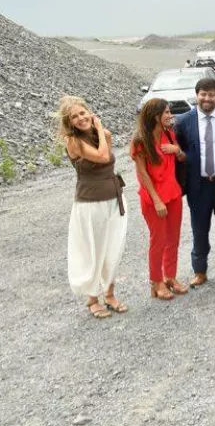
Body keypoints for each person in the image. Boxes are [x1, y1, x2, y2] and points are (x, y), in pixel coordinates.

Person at [61, 96, 128, 318]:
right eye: (74, 117)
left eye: (83, 113)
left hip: (113, 198)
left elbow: (108, 160)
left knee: (113, 247)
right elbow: (102, 156)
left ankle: (109, 294)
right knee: (94, 250)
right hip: (90, 203)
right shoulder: (74, 142)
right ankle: (92, 299)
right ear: (69, 123)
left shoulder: (103, 135)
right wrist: (99, 128)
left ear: (89, 112)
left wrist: (102, 132)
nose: (81, 118)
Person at [174, 77, 215, 287]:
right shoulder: (183, 122)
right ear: (197, 95)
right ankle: (200, 270)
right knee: (200, 229)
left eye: (211, 95)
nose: (207, 98)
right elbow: (179, 154)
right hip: (198, 186)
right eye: (203, 94)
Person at [131, 97, 187, 302]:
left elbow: (182, 158)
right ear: (156, 116)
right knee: (159, 240)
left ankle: (170, 276)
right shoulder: (140, 140)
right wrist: (156, 200)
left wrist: (177, 150)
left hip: (173, 194)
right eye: (167, 112)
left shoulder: (169, 134)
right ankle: (156, 281)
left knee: (173, 238)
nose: (171, 115)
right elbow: (142, 173)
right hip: (154, 198)